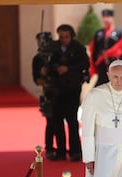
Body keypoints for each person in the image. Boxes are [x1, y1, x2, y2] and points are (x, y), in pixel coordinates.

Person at [50, 24, 90, 161]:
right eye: (61, 37)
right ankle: (61, 151)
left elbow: (85, 63)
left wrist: (68, 68)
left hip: (72, 87)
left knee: (72, 120)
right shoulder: (53, 47)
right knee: (57, 120)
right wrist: (56, 67)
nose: (63, 39)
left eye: (66, 37)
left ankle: (75, 151)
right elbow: (48, 62)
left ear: (71, 36)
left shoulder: (78, 48)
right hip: (56, 88)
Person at [32, 31, 66, 161]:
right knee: (51, 122)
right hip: (48, 92)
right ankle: (50, 149)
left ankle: (62, 150)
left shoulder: (57, 55)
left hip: (62, 91)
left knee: (61, 122)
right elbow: (37, 79)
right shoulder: (37, 59)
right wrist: (43, 74)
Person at [89, 9, 122, 87]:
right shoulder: (98, 33)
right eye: (104, 17)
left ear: (112, 18)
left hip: (115, 66)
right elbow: (93, 50)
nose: (106, 19)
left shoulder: (118, 33)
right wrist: (94, 67)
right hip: (102, 67)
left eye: (108, 16)